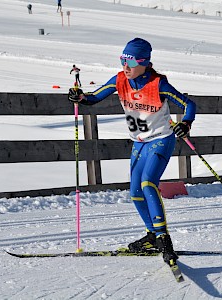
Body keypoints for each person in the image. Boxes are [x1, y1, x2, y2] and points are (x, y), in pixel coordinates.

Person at [68, 38, 196, 267]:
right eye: (122, 60)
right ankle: (151, 236)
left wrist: (185, 124)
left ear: (144, 63)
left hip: (160, 140)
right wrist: (80, 97)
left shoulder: (158, 84)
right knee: (135, 192)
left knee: (149, 184)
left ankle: (163, 238)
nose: (125, 66)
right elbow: (94, 97)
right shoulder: (120, 80)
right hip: (139, 143)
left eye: (130, 62)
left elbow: (189, 105)